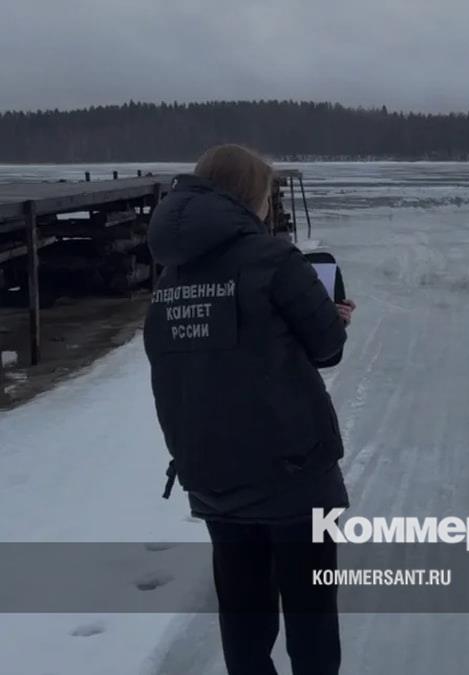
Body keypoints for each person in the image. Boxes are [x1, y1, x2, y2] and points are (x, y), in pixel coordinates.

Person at [143, 144, 355, 675]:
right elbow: (327, 347)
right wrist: (334, 318)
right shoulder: (273, 258)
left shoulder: (171, 276)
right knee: (310, 618)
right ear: (251, 196)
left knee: (243, 620)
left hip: (212, 474)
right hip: (294, 475)